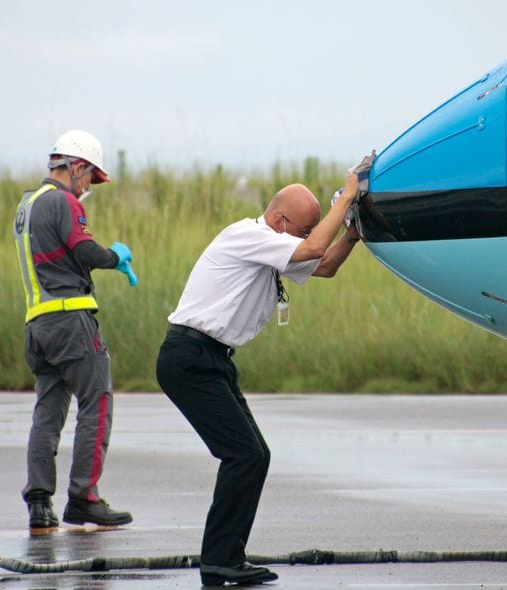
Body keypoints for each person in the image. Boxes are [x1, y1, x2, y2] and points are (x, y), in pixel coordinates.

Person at [155, 164, 365, 586]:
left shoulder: (272, 247)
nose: (308, 238)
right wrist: (345, 197)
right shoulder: (247, 236)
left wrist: (352, 234)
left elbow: (323, 266)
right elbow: (310, 253)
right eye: (303, 229)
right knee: (244, 455)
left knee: (255, 456)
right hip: (189, 357)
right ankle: (219, 560)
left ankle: (227, 556)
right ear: (278, 221)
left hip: (212, 360)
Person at [12, 129, 138, 530]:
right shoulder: (64, 201)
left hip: (38, 325)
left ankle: (38, 501)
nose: (87, 189)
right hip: (72, 323)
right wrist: (114, 257)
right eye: (89, 178)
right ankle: (84, 497)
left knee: (48, 413)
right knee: (96, 402)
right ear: (76, 166)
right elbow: (84, 250)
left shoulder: (26, 205)